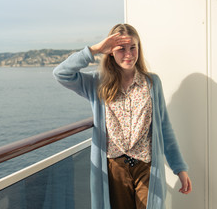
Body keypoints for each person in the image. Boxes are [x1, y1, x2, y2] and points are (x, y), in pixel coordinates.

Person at [53, 24, 192, 209]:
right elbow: (61, 73)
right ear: (111, 51)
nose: (128, 54)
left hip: (147, 167)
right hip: (114, 167)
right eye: (121, 49)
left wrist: (179, 168)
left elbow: (164, 127)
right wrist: (95, 49)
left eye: (133, 47)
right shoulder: (97, 83)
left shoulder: (152, 83)